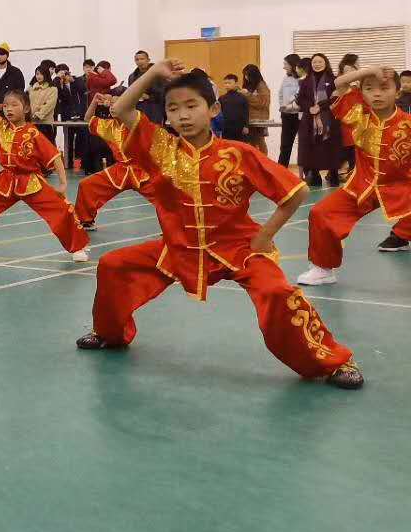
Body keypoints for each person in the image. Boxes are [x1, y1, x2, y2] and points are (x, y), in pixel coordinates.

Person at [75, 60, 362, 389]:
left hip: (238, 249)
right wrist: (153, 73)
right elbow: (122, 108)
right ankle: (109, 334)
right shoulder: (161, 147)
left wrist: (265, 236)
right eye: (173, 108)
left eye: (191, 106)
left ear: (212, 110)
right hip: (179, 248)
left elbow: (293, 194)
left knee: (277, 292)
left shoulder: (238, 154)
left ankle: (335, 360)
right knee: (113, 265)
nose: (182, 115)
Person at [0, 80, 88, 261]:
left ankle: (78, 247)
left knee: (61, 210)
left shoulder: (33, 133)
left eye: (14, 105)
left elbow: (54, 157)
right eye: (6, 105)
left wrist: (63, 183)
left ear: (27, 108)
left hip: (30, 181)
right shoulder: (0, 126)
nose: (9, 109)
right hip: (5, 180)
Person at [298, 65, 411, 282]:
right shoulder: (358, 113)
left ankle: (401, 236)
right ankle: (323, 269)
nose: (377, 93)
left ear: (397, 92)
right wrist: (369, 71)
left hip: (403, 187)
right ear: (361, 92)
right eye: (369, 88)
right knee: (321, 213)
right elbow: (339, 84)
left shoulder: (407, 124)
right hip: (362, 185)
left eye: (384, 88)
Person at [72, 94, 153, 230]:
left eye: (117, 104)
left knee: (167, 195)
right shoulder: (109, 126)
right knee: (86, 185)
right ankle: (86, 220)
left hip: (142, 170)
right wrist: (94, 102)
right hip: (119, 171)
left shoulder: (136, 121)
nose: (112, 108)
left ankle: (176, 228)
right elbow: (87, 118)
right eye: (111, 105)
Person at [297, 53, 341, 187]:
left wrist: (320, 107)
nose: (317, 64)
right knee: (311, 147)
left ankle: (333, 174)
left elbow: (336, 98)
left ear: (325, 63)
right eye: (314, 62)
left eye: (320, 62)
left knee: (330, 146)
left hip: (328, 119)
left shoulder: (333, 80)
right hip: (309, 120)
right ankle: (314, 176)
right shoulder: (305, 80)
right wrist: (309, 108)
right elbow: (301, 99)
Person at [277, 55, 304, 167]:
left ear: (293, 65)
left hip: (299, 115)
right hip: (286, 115)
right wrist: (283, 106)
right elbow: (280, 94)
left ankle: (307, 172)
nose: (284, 67)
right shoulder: (286, 78)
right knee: (285, 145)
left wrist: (291, 106)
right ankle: (281, 170)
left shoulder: (302, 79)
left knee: (303, 144)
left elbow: (299, 95)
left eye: (286, 64)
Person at [126, 50, 165, 124]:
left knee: (154, 130)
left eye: (142, 59)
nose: (140, 61)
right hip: (138, 108)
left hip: (155, 107)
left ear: (148, 60)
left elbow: (164, 92)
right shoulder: (132, 76)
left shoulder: (158, 73)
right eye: (137, 59)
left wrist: (149, 97)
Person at [242, 64, 271, 154]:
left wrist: (247, 95)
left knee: (259, 142)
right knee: (251, 143)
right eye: (245, 75)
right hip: (250, 119)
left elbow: (263, 102)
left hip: (259, 120)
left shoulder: (261, 85)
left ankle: (264, 162)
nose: (246, 77)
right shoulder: (249, 85)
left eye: (248, 75)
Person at [218, 74, 250, 142]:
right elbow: (219, 113)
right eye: (225, 83)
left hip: (239, 128)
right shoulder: (221, 99)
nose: (227, 85)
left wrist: (246, 126)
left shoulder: (242, 98)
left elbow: (246, 112)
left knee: (240, 147)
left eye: (229, 83)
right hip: (226, 128)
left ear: (235, 84)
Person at [29, 66, 57, 142]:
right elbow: (26, 103)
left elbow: (50, 105)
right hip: (32, 123)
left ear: (46, 75)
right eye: (37, 74)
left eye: (41, 74)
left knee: (47, 149)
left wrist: (38, 114)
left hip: (46, 124)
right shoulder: (31, 88)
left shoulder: (52, 89)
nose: (39, 76)